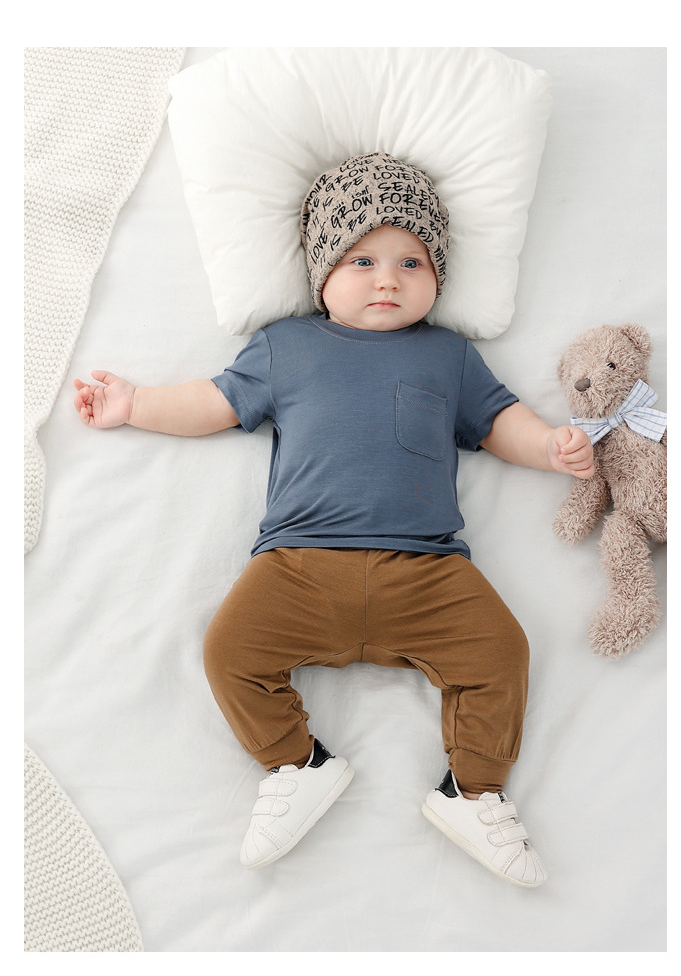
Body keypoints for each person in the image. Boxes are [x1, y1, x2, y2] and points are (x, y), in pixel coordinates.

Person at [73, 152, 593, 889]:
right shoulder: (287, 347)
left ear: (438, 275)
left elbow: (499, 421)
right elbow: (214, 403)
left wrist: (548, 448)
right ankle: (297, 764)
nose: (388, 279)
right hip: (299, 567)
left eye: (411, 262)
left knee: (502, 652)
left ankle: (474, 793)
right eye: (362, 260)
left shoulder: (448, 356)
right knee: (228, 650)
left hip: (428, 571)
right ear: (322, 272)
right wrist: (137, 405)